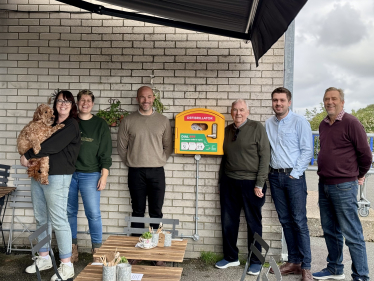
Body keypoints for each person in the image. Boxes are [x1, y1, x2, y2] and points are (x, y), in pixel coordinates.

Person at [313, 87, 372, 281]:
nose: (330, 102)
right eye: (326, 99)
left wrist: (359, 174)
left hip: (344, 186)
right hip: (324, 184)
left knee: (352, 234)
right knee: (330, 230)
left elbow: (366, 155)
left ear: (342, 102)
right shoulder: (323, 124)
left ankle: (361, 276)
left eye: (334, 99)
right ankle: (335, 268)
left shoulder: (351, 122)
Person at [20, 91, 81, 281]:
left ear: (72, 106)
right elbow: (33, 137)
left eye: (67, 101)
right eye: (60, 101)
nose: (63, 104)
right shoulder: (49, 122)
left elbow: (53, 145)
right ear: (55, 104)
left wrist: (28, 156)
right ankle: (44, 257)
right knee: (40, 218)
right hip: (38, 174)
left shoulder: (71, 125)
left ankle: (66, 265)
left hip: (58, 177)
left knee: (59, 220)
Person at [117, 86, 173, 266]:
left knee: (156, 211)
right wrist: (133, 161)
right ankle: (137, 251)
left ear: (153, 98)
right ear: (137, 99)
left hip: (157, 171)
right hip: (135, 171)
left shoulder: (163, 121)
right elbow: (121, 147)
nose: (146, 100)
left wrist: (158, 159)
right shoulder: (128, 121)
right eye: (142, 97)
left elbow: (168, 146)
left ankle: (155, 253)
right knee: (137, 212)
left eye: (149, 97)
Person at [215, 99, 270, 276]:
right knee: (228, 221)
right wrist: (221, 182)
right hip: (229, 182)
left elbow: (265, 157)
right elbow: (225, 158)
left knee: (254, 223)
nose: (238, 113)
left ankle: (256, 261)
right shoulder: (227, 130)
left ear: (247, 111)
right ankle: (231, 257)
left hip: (251, 183)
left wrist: (260, 183)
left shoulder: (257, 128)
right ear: (231, 112)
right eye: (235, 110)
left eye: (241, 110)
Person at [265, 87, 313, 281]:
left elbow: (307, 150)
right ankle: (293, 261)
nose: (278, 104)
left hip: (294, 178)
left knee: (299, 222)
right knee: (285, 220)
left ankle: (307, 266)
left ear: (289, 102)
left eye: (282, 100)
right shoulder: (268, 123)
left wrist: (294, 174)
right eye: (275, 100)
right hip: (275, 177)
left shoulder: (300, 122)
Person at [67, 90, 112, 263]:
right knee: (69, 212)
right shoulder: (71, 122)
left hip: (91, 174)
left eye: (88, 100)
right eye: (82, 100)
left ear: (92, 104)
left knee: (93, 213)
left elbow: (106, 153)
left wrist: (104, 175)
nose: (85, 103)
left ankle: (97, 251)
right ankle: (71, 250)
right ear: (77, 103)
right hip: (68, 174)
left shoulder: (100, 124)